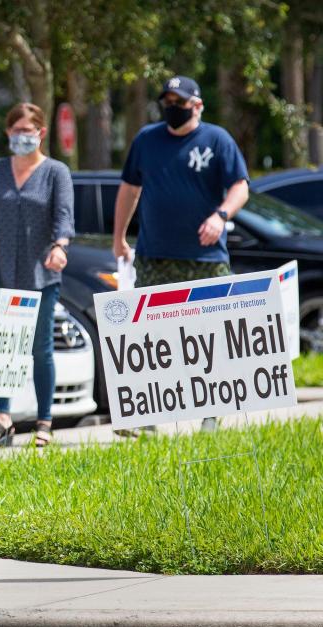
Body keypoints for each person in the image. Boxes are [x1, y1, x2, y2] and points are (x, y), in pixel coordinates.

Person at [113, 75, 249, 432]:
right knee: (152, 339)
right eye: (168, 102)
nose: (173, 108)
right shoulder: (147, 140)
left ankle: (211, 415)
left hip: (205, 259)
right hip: (155, 255)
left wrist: (221, 216)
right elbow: (129, 189)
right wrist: (119, 237)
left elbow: (240, 186)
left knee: (212, 336)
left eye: (180, 102)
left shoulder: (217, 140)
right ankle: (148, 417)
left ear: (198, 104)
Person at [0, 102, 74, 448]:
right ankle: (2, 419)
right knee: (4, 348)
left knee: (41, 350)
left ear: (41, 133)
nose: (21, 137)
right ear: (8, 133)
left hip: (40, 273)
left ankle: (44, 421)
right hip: (0, 271)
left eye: (28, 131)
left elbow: (64, 216)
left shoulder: (56, 171)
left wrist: (60, 246)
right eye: (16, 131)